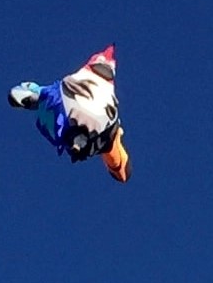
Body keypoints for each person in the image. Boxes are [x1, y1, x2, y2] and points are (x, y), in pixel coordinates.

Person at [9, 45, 130, 182]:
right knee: (118, 164)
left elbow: (20, 94)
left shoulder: (62, 89)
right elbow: (123, 172)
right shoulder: (99, 87)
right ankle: (81, 140)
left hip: (77, 113)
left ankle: (80, 140)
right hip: (96, 124)